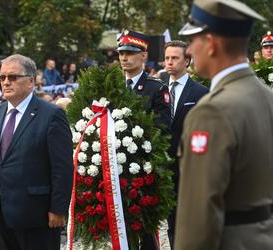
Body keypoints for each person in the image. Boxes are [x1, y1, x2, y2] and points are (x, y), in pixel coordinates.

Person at [174, 0, 273, 249]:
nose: (188, 51)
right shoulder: (267, 97)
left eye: (193, 40)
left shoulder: (212, 111)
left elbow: (198, 214)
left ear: (211, 44)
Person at [0, 54, 74, 250]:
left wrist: (58, 208)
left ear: (30, 81)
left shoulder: (51, 115)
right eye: (3, 77)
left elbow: (62, 167)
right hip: (1, 212)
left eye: (12, 77)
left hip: (38, 215)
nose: (5, 82)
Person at [117, 29, 171, 250]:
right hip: (116, 166)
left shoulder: (156, 88)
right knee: (120, 226)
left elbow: (162, 128)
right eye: (121, 53)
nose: (124, 58)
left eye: (130, 53)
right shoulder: (114, 87)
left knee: (146, 229)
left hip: (143, 167)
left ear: (143, 56)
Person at [161, 40, 208, 249]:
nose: (169, 63)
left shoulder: (200, 92)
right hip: (165, 168)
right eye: (167, 58)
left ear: (187, 61)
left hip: (190, 167)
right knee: (172, 223)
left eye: (175, 58)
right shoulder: (158, 91)